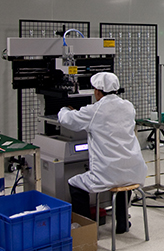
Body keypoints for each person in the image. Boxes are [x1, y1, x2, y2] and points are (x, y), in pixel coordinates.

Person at [58, 72, 147, 234]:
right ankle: (122, 222)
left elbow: (68, 120)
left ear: (97, 91)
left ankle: (87, 229)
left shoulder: (94, 110)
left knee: (74, 183)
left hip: (108, 172)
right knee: (124, 182)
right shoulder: (128, 106)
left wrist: (63, 109)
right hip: (135, 168)